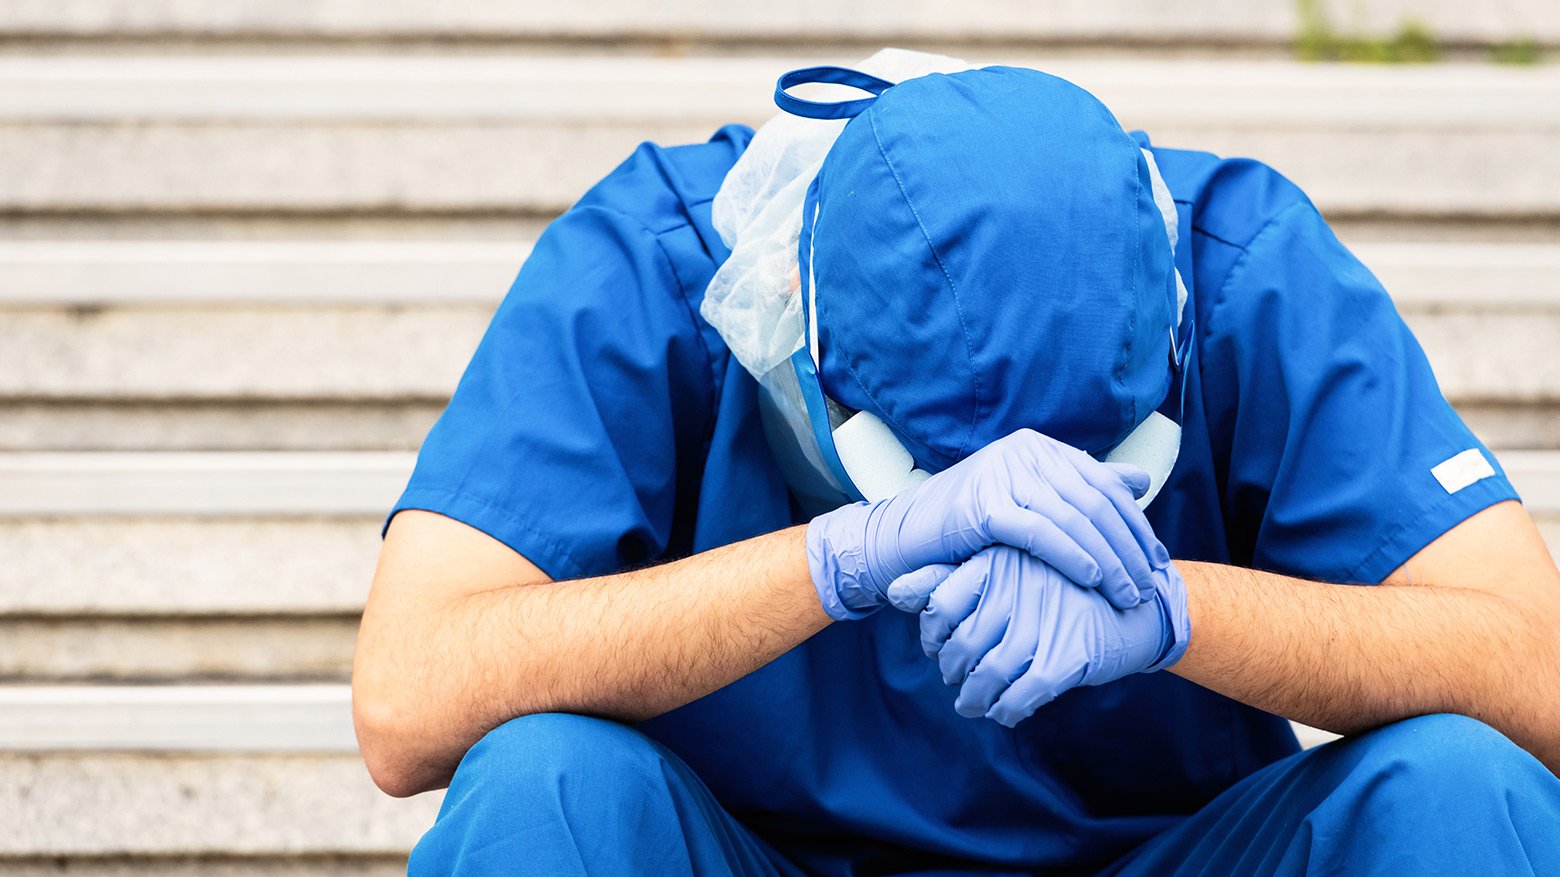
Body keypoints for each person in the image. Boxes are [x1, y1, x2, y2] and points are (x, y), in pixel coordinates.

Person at [352, 50, 1560, 875]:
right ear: (794, 322)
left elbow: (1536, 674)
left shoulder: (1243, 265)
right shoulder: (658, 265)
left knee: (1460, 783)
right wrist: (835, 559)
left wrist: (1176, 609)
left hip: (1159, 849)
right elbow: (409, 698)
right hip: (753, 850)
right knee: (541, 782)